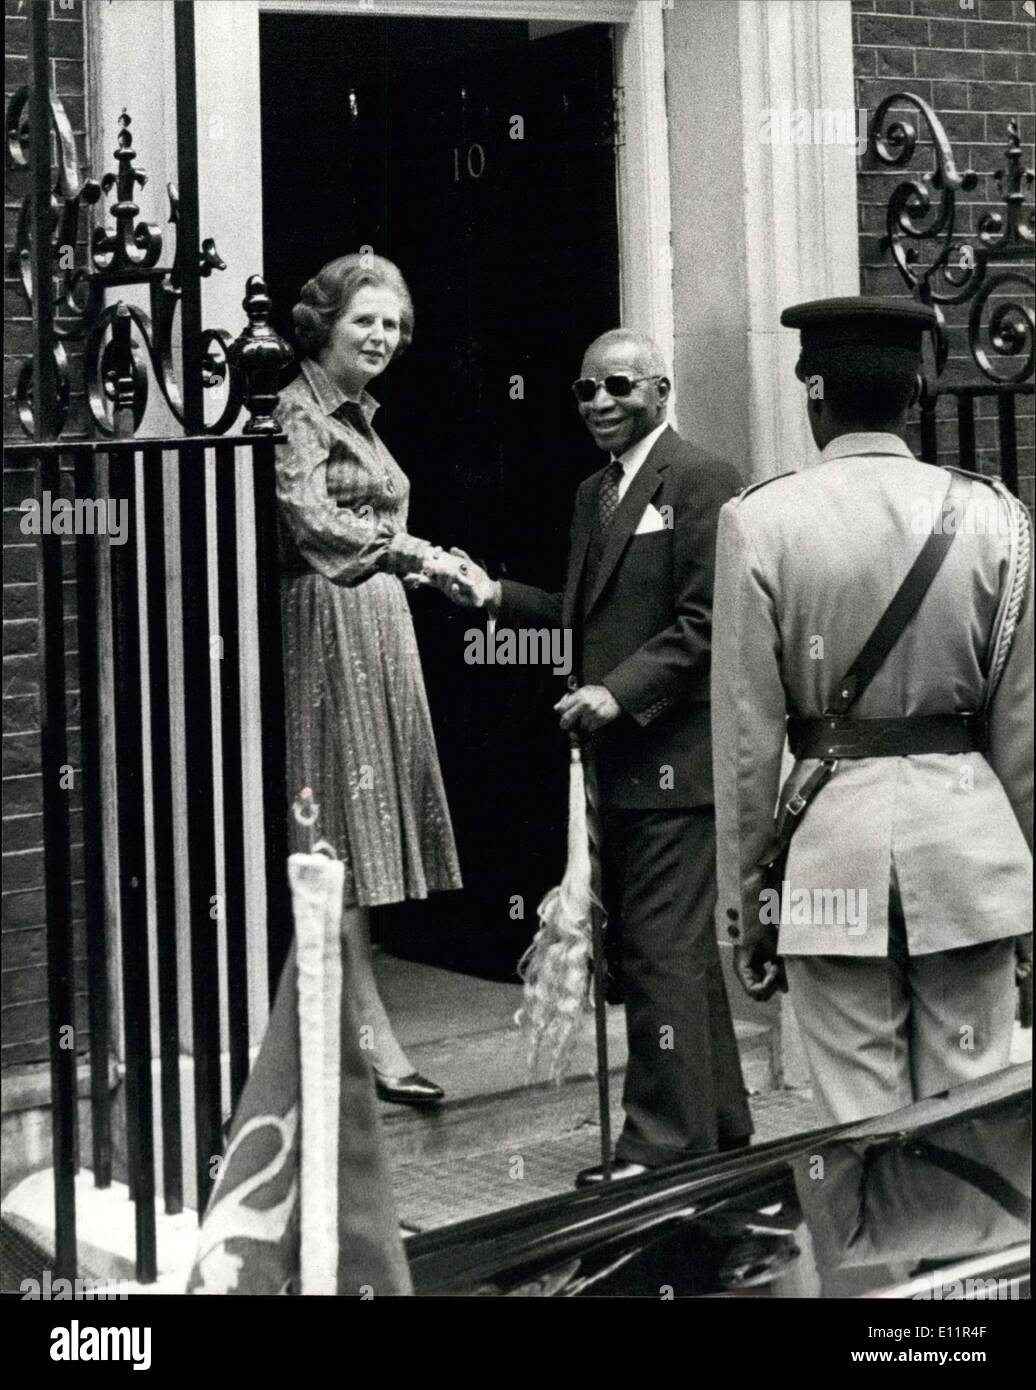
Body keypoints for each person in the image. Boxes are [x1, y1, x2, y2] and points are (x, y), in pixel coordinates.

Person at [439, 328, 753, 1183]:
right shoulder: (595, 495)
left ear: (661, 389)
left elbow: (709, 621)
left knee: (657, 952)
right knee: (669, 952)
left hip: (675, 764)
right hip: (615, 767)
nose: (602, 404)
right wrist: (495, 593)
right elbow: (584, 621)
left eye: (620, 386)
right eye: (586, 392)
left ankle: (659, 1146)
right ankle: (718, 1126)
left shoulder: (700, 479)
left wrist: (619, 692)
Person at [711, 296, 1033, 1125]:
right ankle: (969, 1256)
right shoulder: (996, 517)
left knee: (863, 1129)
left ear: (812, 394)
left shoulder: (760, 520)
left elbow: (746, 746)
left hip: (829, 858)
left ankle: (884, 1256)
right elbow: (1024, 737)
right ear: (918, 392)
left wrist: (748, 909)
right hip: (971, 852)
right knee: (973, 1124)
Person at [275, 252, 469, 1106]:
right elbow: (310, 519)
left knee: (364, 832)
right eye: (366, 321)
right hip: (328, 620)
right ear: (324, 325)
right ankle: (363, 1036)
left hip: (377, 624)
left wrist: (425, 566)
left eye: (393, 324)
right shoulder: (296, 411)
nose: (383, 336)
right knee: (338, 836)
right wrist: (413, 554)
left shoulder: (360, 415)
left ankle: (352, 1025)